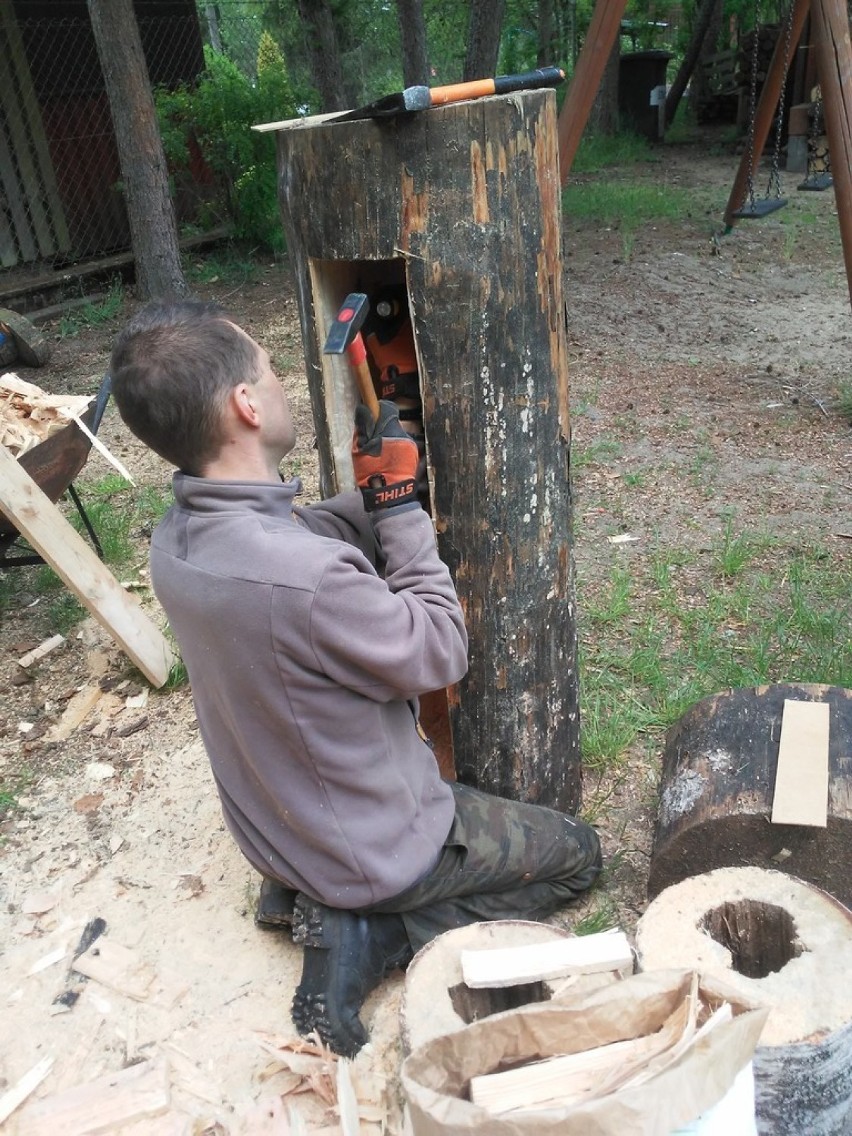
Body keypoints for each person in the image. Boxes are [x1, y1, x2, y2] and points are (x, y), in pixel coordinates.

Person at [109, 300, 602, 1058]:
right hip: (369, 849)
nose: (278, 384)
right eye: (269, 372)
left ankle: (307, 894)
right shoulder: (307, 582)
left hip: (278, 833)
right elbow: (439, 649)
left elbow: (303, 535)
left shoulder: (177, 540)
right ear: (245, 405)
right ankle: (372, 929)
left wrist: (382, 489)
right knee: (578, 855)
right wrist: (403, 515)